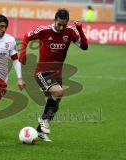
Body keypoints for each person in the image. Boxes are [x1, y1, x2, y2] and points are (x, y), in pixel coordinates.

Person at [19, 9, 88, 142]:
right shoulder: (44, 30)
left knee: (55, 106)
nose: (61, 27)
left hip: (57, 74)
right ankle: (44, 120)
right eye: (59, 24)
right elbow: (26, 36)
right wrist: (22, 52)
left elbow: (84, 47)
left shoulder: (70, 32)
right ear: (54, 20)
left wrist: (80, 29)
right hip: (42, 72)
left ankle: (39, 131)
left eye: (64, 25)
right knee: (58, 92)